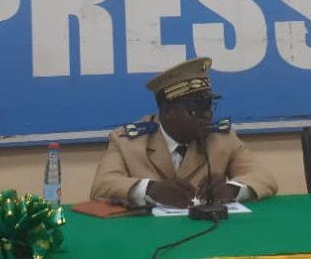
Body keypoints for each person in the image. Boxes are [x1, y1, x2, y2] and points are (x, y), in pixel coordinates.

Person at [90, 57, 277, 208]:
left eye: (209, 106)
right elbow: (101, 186)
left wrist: (232, 189)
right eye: (196, 109)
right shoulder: (127, 141)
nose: (207, 115)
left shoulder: (221, 139)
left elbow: (264, 177)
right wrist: (150, 190)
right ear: (167, 112)